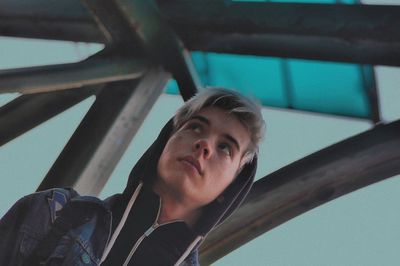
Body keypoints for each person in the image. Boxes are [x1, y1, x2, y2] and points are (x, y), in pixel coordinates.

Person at [0, 87, 265, 265]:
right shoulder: (54, 211)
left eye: (225, 147)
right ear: (166, 140)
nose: (205, 144)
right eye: (196, 127)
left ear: (233, 184)